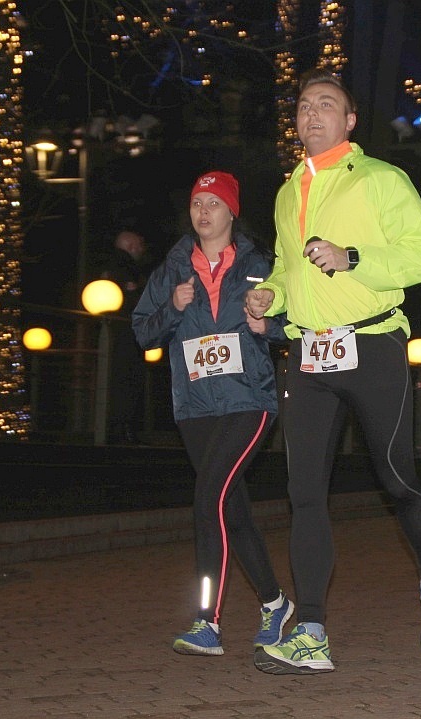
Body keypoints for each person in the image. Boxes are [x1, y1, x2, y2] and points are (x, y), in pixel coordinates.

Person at [244, 68, 421, 674]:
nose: (312, 114)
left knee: (397, 480)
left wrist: (352, 257)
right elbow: (287, 269)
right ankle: (311, 631)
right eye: (304, 106)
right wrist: (270, 296)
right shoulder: (287, 192)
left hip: (374, 343)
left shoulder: (381, 179)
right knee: (304, 493)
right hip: (310, 355)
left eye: (326, 105)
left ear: (350, 120)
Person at [132, 170, 294, 657]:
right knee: (231, 510)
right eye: (197, 203)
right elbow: (143, 332)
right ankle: (275, 602)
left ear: (231, 212)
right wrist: (173, 307)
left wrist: (266, 325)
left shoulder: (260, 264)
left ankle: (208, 621)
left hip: (248, 401)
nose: (203, 211)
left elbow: (297, 323)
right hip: (195, 407)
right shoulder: (173, 268)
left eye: (213, 203)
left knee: (207, 502)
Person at [100, 228, 151, 444]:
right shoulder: (126, 268)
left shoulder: (108, 266)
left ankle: (113, 427)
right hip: (127, 333)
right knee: (128, 379)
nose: (142, 250)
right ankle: (125, 428)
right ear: (131, 247)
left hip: (113, 332)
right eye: (139, 245)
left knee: (113, 377)